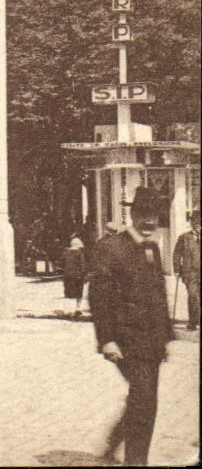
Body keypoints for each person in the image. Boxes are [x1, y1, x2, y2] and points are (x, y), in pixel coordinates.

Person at [89, 186, 175, 468]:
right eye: (144, 216)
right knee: (145, 401)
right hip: (125, 341)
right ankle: (136, 463)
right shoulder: (111, 248)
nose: (150, 223)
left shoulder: (151, 248)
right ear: (133, 215)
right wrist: (107, 340)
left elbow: (157, 295)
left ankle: (116, 441)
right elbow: (99, 297)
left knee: (142, 399)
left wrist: (164, 338)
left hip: (150, 343)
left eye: (155, 217)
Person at [174, 210, 199, 331]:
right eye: (196, 223)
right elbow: (177, 254)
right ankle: (192, 322)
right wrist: (177, 269)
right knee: (193, 295)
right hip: (190, 272)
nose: (198, 226)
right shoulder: (184, 237)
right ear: (192, 224)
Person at [62, 235, 88, 317]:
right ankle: (77, 309)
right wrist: (84, 275)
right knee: (79, 293)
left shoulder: (66, 253)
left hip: (67, 276)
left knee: (68, 292)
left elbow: (62, 264)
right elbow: (83, 265)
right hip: (78, 276)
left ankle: (67, 310)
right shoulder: (80, 254)